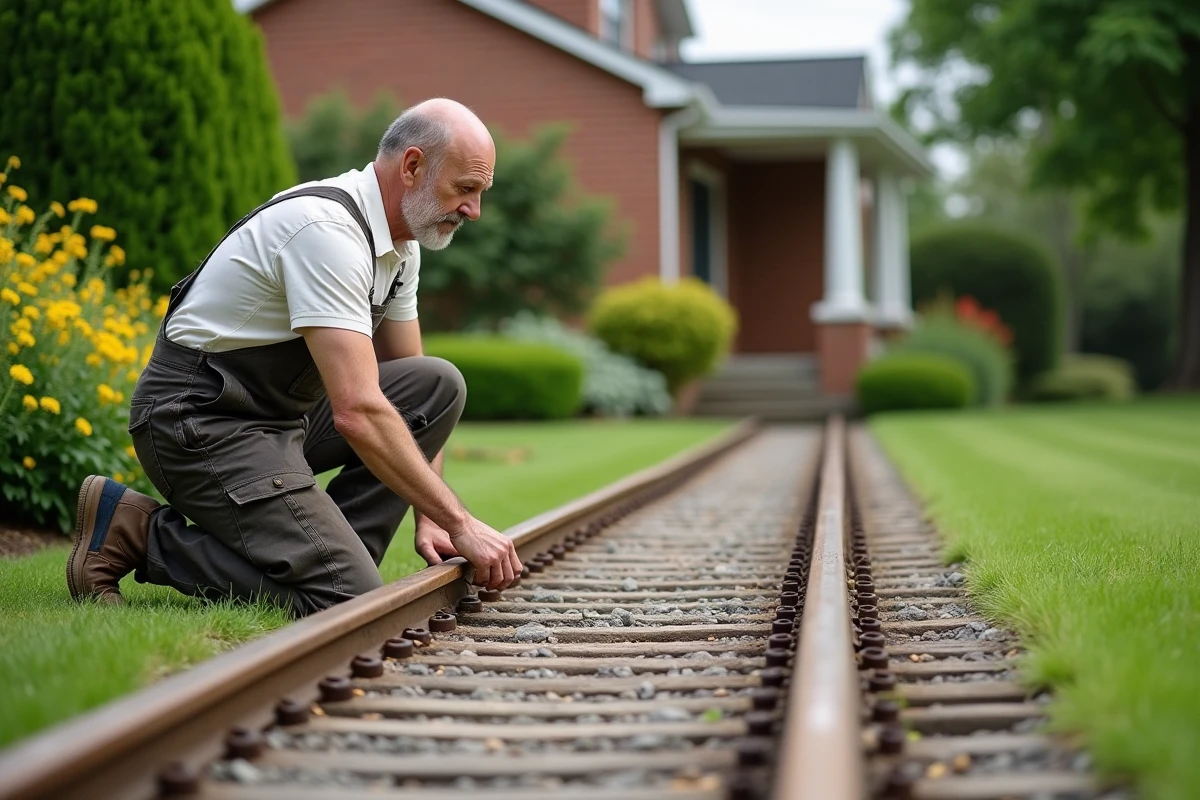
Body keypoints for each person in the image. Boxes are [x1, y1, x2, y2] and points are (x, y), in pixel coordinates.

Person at [66, 98, 522, 617]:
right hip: (199, 423)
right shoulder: (325, 232)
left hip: (281, 420)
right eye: (464, 189)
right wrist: (461, 522)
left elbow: (411, 401)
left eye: (480, 193)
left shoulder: (401, 248)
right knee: (349, 600)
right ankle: (136, 533)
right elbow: (358, 409)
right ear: (412, 167)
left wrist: (431, 514)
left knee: (436, 383)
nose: (474, 210)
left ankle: (333, 553)